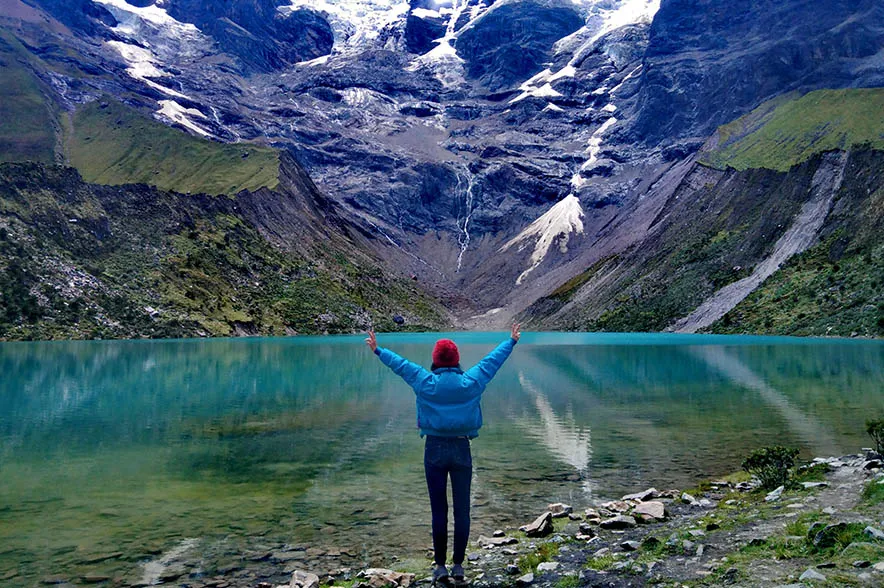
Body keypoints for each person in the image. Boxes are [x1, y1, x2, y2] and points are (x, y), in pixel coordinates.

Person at [365, 324, 521, 585]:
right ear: (457, 359)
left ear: (435, 360)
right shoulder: (471, 381)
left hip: (434, 449)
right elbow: (491, 362)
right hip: (462, 448)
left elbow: (402, 365)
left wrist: (378, 350)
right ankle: (458, 566)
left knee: (439, 510)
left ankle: (440, 568)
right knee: (462, 510)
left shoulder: (426, 382)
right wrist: (511, 342)